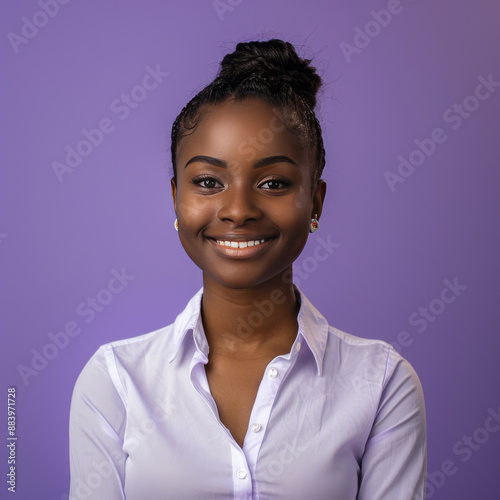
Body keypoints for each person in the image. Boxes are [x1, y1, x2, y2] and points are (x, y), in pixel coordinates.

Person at [69, 39, 426, 500]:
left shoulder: (381, 385)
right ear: (176, 197)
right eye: (208, 182)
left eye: (273, 182)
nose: (238, 210)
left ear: (314, 203)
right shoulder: (115, 381)